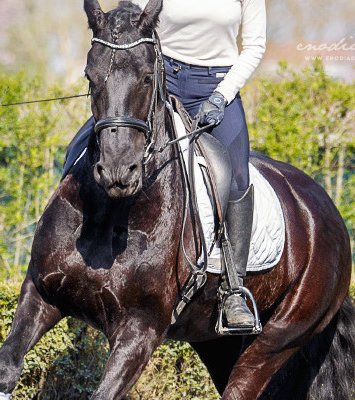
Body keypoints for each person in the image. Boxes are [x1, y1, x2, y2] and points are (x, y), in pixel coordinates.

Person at [142, 0, 267, 330]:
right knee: (111, 145)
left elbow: (255, 46)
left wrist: (221, 96)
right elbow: (134, 19)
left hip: (216, 85)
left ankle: (233, 291)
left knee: (239, 178)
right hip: (159, 78)